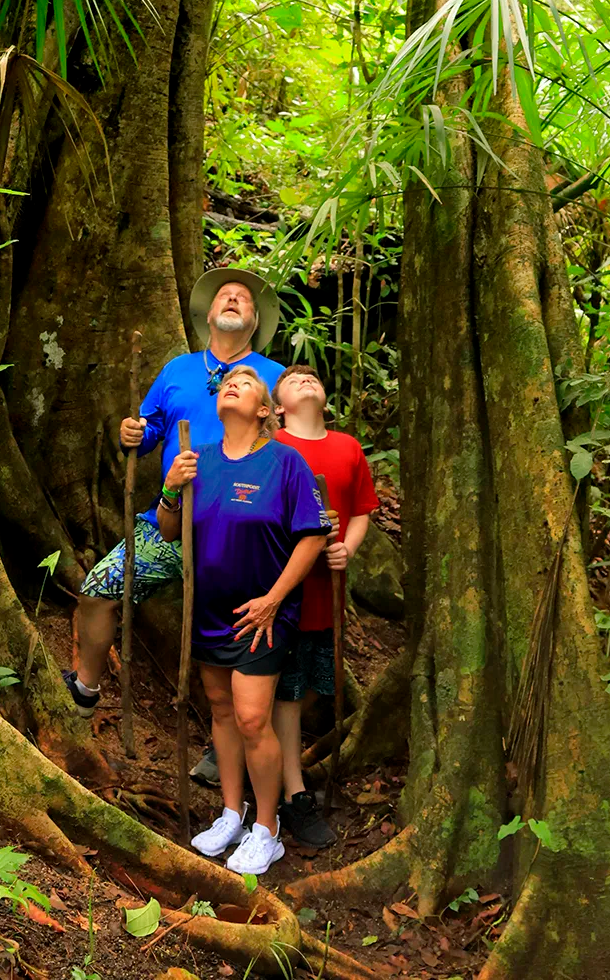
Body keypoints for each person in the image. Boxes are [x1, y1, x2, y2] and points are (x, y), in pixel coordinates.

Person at [65, 268, 283, 732]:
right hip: (169, 518)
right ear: (207, 314)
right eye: (224, 295)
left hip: (240, 531)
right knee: (99, 590)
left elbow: (291, 450)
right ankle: (84, 690)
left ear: (255, 319)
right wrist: (134, 433)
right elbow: (149, 432)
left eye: (242, 298)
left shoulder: (274, 377)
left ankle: (223, 744)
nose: (231, 299)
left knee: (237, 635)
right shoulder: (177, 370)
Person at [157, 366, 330, 875]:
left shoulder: (284, 462)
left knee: (254, 718)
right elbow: (169, 529)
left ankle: (268, 829)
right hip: (209, 612)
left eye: (247, 382)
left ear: (263, 410)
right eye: (228, 380)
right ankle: (233, 813)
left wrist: (275, 599)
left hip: (263, 616)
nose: (233, 382)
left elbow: (314, 535)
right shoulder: (199, 460)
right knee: (222, 713)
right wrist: (170, 487)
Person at [272, 364, 380, 847]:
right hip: (284, 591)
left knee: (316, 685)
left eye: (313, 377)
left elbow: (360, 509)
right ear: (277, 407)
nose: (307, 380)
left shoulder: (348, 448)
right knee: (287, 692)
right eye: (293, 380)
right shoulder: (272, 447)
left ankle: (280, 764)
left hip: (326, 595)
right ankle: (292, 793)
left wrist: (347, 549)